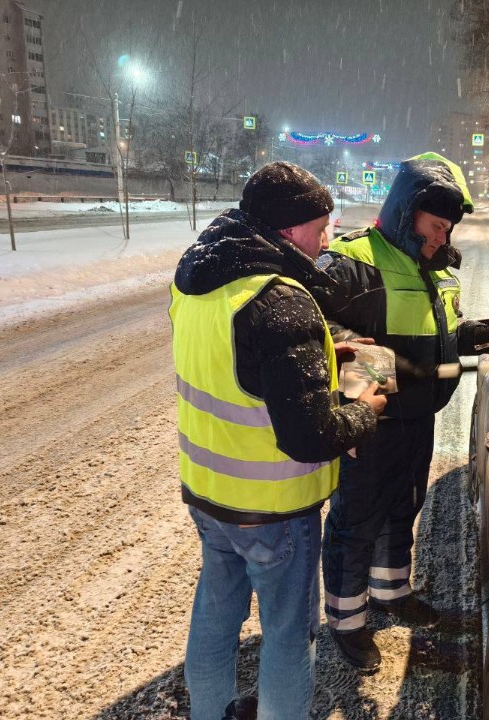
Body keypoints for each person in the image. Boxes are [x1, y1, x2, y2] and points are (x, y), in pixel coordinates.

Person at [169, 162, 386, 720]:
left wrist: (319, 359)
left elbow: (239, 365)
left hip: (208, 494)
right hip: (271, 508)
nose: (328, 239)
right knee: (290, 633)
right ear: (288, 230)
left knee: (216, 612)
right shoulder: (279, 298)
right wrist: (364, 410)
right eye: (321, 227)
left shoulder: (201, 282)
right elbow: (311, 435)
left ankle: (210, 711)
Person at [310, 152, 489, 671]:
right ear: (407, 212)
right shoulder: (353, 260)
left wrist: (469, 337)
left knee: (405, 506)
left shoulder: (439, 270)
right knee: (357, 518)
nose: (442, 237)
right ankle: (347, 620)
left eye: (447, 228)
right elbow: (320, 333)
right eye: (435, 225)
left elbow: (437, 335)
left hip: (420, 417)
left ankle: (391, 592)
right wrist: (379, 375)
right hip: (369, 419)